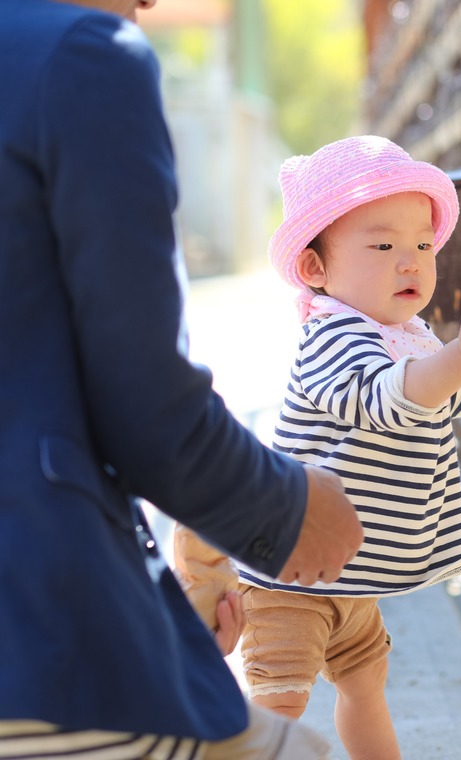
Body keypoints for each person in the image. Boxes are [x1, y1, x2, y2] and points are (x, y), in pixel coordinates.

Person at [0, 1, 365, 758]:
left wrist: (157, 617)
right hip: (38, 638)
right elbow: (142, 400)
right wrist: (289, 510)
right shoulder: (83, 56)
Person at [233, 135, 461, 759]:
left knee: (366, 688)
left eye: (422, 245)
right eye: (384, 246)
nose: (411, 263)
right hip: (290, 574)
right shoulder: (332, 337)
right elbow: (392, 397)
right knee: (281, 699)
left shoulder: (406, 334)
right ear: (315, 270)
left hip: (348, 575)